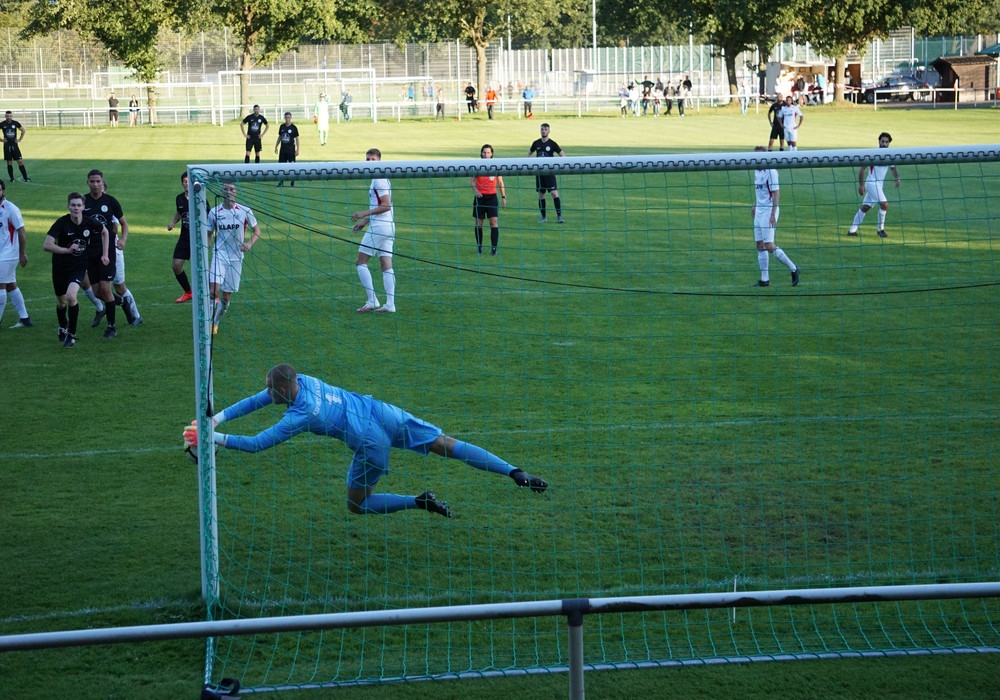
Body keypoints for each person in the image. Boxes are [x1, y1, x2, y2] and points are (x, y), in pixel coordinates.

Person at [182, 364, 548, 519]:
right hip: (381, 411)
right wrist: (216, 418)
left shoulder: (302, 414)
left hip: (370, 441)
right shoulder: (303, 380)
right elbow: (257, 400)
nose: (266, 394)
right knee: (446, 444)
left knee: (357, 506)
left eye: (269, 390)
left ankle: (417, 502)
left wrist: (212, 438)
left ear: (281, 389)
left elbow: (258, 443)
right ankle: (514, 472)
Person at [43, 192, 110, 348]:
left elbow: (105, 232)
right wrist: (66, 250)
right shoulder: (61, 223)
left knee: (71, 296)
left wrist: (105, 254)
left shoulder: (89, 222)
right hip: (60, 267)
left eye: (79, 205)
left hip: (78, 266)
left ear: (83, 207)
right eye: (73, 205)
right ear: (68, 206)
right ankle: (62, 326)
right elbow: (47, 245)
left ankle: (71, 335)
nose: (76, 208)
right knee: (61, 303)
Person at [85, 170, 141, 331]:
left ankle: (136, 316)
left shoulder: (110, 202)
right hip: (93, 252)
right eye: (92, 182)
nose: (95, 185)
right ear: (88, 183)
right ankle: (121, 304)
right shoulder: (84, 202)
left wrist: (122, 240)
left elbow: (120, 224)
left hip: (113, 251)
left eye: (98, 182)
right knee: (99, 291)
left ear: (102, 183)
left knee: (119, 287)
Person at [207, 182, 261, 335]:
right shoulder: (214, 212)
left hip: (236, 258)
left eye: (231, 189)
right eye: (225, 189)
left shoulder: (245, 211)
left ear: (236, 192)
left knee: (225, 296)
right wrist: (208, 244)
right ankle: (206, 323)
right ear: (221, 191)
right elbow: (209, 232)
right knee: (214, 290)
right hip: (219, 254)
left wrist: (249, 243)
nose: (228, 191)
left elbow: (257, 230)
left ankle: (215, 321)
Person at [351, 148, 396, 314]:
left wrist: (364, 213)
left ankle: (372, 300)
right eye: (368, 159)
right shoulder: (379, 178)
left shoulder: (379, 179)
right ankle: (390, 304)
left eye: (373, 159)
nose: (370, 162)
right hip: (388, 226)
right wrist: (364, 222)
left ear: (379, 161)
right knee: (385, 264)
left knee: (360, 261)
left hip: (380, 227)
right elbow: (380, 205)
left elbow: (386, 205)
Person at [751, 146, 799, 288]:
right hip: (759, 210)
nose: (755, 159)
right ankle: (765, 280)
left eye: (758, 156)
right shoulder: (756, 170)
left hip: (768, 211)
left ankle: (794, 269)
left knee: (769, 245)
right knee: (759, 245)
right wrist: (755, 204)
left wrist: (773, 213)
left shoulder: (771, 171)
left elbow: (776, 193)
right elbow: (761, 192)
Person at [848, 132, 900, 239]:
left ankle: (852, 231)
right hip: (871, 184)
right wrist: (861, 185)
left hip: (878, 185)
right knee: (884, 204)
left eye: (886, 142)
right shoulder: (873, 153)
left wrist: (897, 178)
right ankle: (880, 230)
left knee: (865, 208)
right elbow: (862, 168)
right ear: (879, 141)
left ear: (889, 143)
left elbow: (893, 168)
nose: (884, 144)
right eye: (882, 141)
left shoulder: (889, 155)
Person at [0, 180, 31, 327]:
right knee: (11, 285)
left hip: (9, 253)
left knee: (0, 286)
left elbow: (21, 230)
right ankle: (25, 318)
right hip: (2, 253)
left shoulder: (10, 209)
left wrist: (22, 253)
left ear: (3, 191)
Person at [471, 144, 506, 255]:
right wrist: (476, 191)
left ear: (492, 154)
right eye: (484, 152)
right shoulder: (476, 166)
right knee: (479, 223)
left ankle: (494, 249)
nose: (486, 155)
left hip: (492, 198)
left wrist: (503, 197)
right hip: (480, 199)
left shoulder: (496, 166)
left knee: (493, 222)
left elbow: (500, 182)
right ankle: (479, 247)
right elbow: (471, 182)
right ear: (481, 153)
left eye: (488, 152)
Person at [528, 123, 565, 224]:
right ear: (540, 131)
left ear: (549, 131)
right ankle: (543, 217)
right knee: (541, 194)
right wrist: (530, 165)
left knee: (554, 193)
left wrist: (557, 166)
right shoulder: (536, 143)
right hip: (539, 174)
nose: (544, 131)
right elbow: (529, 154)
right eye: (542, 129)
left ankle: (559, 216)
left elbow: (562, 155)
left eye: (545, 129)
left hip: (549, 173)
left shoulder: (552, 144)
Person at [167, 171, 193, 303]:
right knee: (176, 265)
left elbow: (208, 217)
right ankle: (188, 292)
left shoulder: (199, 198)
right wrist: (172, 222)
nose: (186, 183)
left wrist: (208, 237)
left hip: (197, 240)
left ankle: (212, 295)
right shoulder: (179, 198)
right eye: (184, 181)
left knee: (200, 270)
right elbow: (179, 212)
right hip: (184, 238)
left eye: (189, 181)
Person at [2, 111, 30, 183]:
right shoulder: (2, 124)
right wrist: (1, 139)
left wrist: (20, 139)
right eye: (7, 116)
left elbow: (23, 130)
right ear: (5, 116)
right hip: (7, 145)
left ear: (12, 116)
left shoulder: (15, 123)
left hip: (14, 145)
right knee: (9, 162)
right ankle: (12, 178)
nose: (9, 117)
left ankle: (26, 178)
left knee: (20, 161)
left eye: (10, 116)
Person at [274, 112, 300, 187]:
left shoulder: (294, 128)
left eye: (289, 117)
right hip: (283, 150)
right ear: (284, 118)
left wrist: (297, 150)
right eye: (286, 117)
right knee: (281, 167)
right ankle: (281, 182)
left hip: (291, 150)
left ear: (291, 118)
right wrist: (276, 146)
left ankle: (292, 182)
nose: (287, 119)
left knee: (292, 167)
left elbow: (297, 139)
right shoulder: (282, 127)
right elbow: (279, 137)